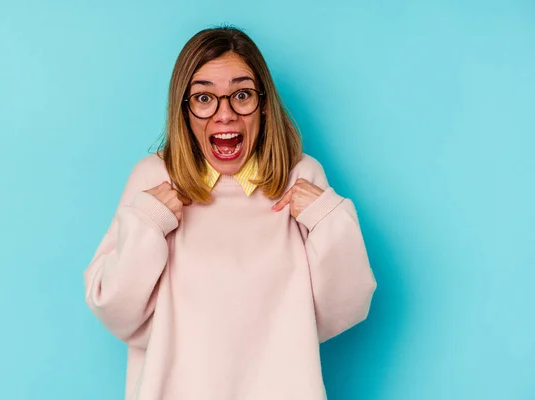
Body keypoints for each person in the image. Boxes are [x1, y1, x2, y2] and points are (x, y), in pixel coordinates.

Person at [84, 26, 377, 400]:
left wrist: (326, 217)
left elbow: (346, 307)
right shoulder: (155, 177)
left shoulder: (301, 176)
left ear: (263, 102)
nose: (224, 115)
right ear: (184, 110)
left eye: (241, 95)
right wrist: (148, 223)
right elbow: (115, 309)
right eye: (204, 98)